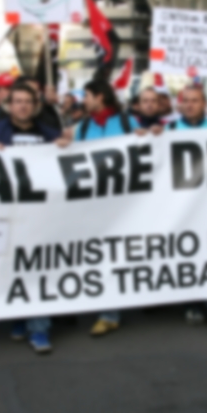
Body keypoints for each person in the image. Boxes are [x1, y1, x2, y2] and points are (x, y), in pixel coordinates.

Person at [0, 81, 65, 351]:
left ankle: (39, 328)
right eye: (17, 101)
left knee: (37, 267)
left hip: (40, 213)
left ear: (36, 105)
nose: (23, 106)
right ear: (9, 105)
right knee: (11, 267)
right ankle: (19, 317)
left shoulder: (51, 134)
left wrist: (66, 147)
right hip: (7, 211)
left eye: (28, 101)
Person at [150, 85, 207, 333]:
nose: (190, 105)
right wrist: (148, 136)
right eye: (186, 100)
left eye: (195, 100)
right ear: (179, 104)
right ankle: (192, 305)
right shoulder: (169, 130)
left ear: (204, 103)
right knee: (187, 255)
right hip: (183, 207)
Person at [73, 79, 139, 335]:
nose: (83, 100)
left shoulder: (127, 122)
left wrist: (150, 136)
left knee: (117, 254)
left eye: (87, 95)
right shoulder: (83, 126)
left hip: (123, 202)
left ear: (100, 97)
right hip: (93, 202)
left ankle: (111, 312)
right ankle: (107, 308)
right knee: (99, 255)